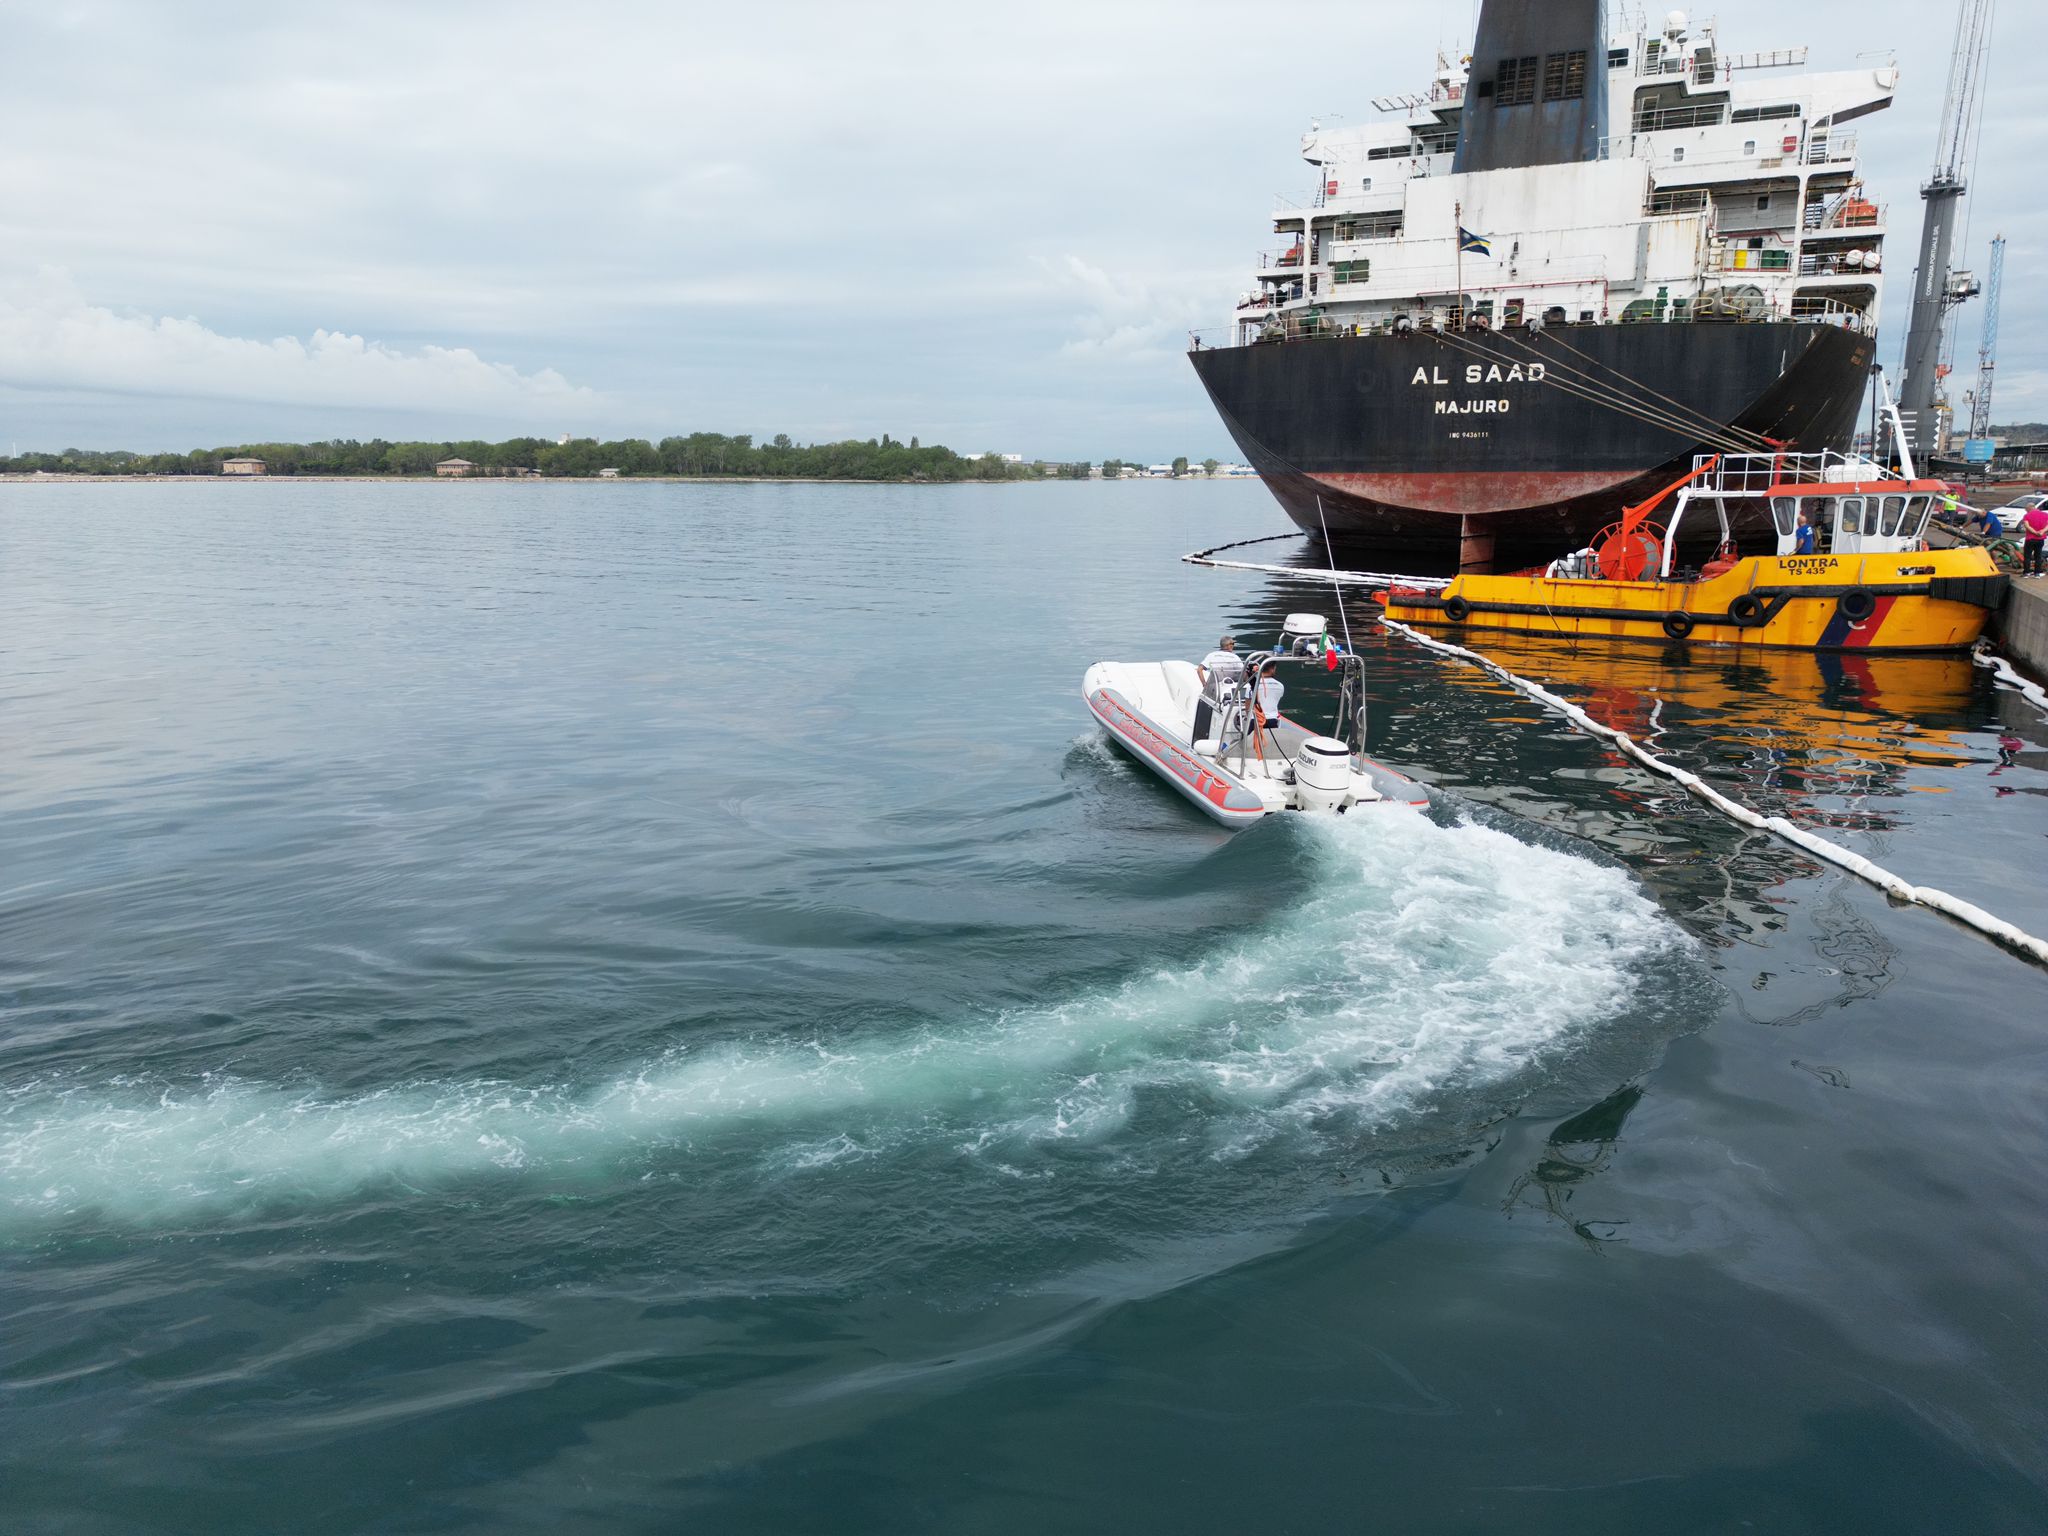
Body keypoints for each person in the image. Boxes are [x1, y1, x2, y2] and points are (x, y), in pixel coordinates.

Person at [1193, 635, 1242, 743]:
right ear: (1229, 646)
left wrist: (1204, 684)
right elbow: (1243, 674)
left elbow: (1199, 670)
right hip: (1229, 689)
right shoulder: (1235, 657)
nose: (1233, 646)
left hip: (1214, 689)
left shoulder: (1212, 655)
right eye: (1232, 644)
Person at [1253, 662, 1285, 730]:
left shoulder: (1253, 685)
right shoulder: (1280, 686)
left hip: (1256, 720)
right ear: (1271, 670)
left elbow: (1248, 706)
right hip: (1272, 720)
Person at [2021, 502, 2048, 576]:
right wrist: (2042, 531)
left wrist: (2035, 532)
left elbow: (2027, 526)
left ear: (2029, 508)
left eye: (2026, 509)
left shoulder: (2027, 515)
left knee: (2027, 556)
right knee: (2038, 556)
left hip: (2030, 539)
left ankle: (2026, 573)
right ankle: (2037, 573)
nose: (2026, 511)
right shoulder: (2045, 515)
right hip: (2040, 539)